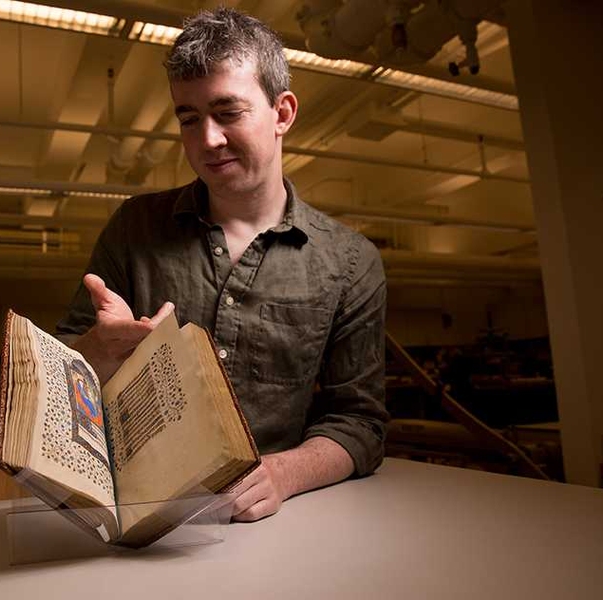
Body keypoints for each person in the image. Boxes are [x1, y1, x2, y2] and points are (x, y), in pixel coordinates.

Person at [57, 7, 388, 522]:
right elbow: (65, 380)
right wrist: (94, 354)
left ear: (283, 113)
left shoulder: (350, 262)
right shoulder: (133, 229)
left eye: (228, 112)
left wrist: (283, 473)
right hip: (137, 518)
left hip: (272, 527)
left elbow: (360, 423)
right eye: (189, 118)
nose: (206, 139)